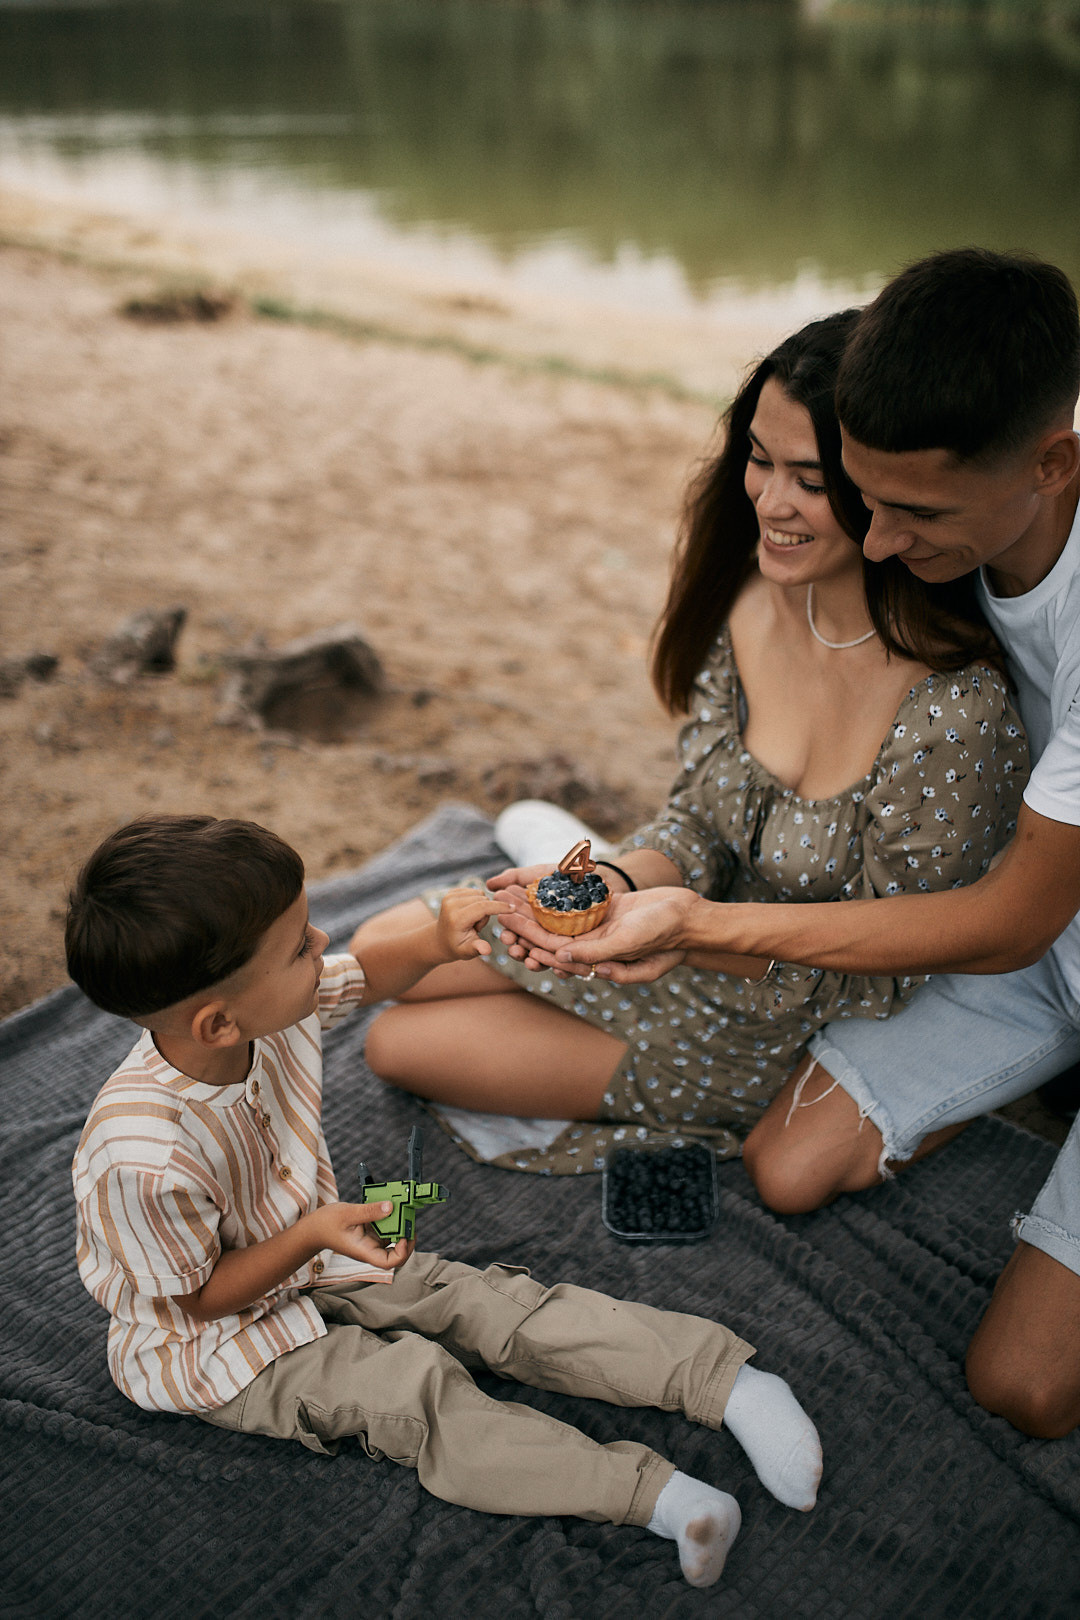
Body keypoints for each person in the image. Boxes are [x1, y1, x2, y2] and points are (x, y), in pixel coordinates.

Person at [507, 248, 1080, 1439]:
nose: (879, 543)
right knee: (786, 1168)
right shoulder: (964, 482)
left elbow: (1011, 917)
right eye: (866, 499)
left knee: (1023, 1390)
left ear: (1052, 464)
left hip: (1021, 922)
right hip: (1030, 951)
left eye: (918, 516)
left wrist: (701, 923)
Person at [67, 814, 823, 1589]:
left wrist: (434, 938)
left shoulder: (267, 1011)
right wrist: (313, 1234)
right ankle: (659, 1499)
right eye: (298, 946)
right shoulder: (142, 1158)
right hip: (215, 1344)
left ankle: (727, 1384)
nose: (322, 941)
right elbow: (196, 1299)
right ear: (217, 1022)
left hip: (312, 1251)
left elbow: (366, 975)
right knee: (413, 1394)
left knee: (488, 1304)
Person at [356, 312, 1026, 1175]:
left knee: (399, 1044)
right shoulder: (749, 598)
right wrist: (612, 884)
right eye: (760, 460)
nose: (771, 502)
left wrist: (685, 934)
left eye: (810, 480)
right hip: (667, 928)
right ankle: (566, 856)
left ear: (881, 489)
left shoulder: (952, 712)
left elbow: (889, 967)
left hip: (778, 1007)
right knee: (387, 952)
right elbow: (699, 826)